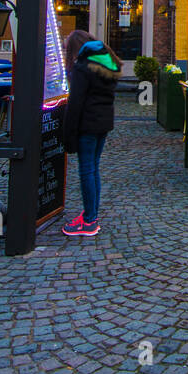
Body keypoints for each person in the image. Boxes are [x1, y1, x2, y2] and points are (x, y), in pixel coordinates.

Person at [61, 30, 122, 237]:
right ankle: (91, 214)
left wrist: (68, 134)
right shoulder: (105, 64)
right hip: (103, 124)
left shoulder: (82, 67)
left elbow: (75, 103)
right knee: (93, 169)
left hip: (87, 125)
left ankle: (89, 221)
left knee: (87, 171)